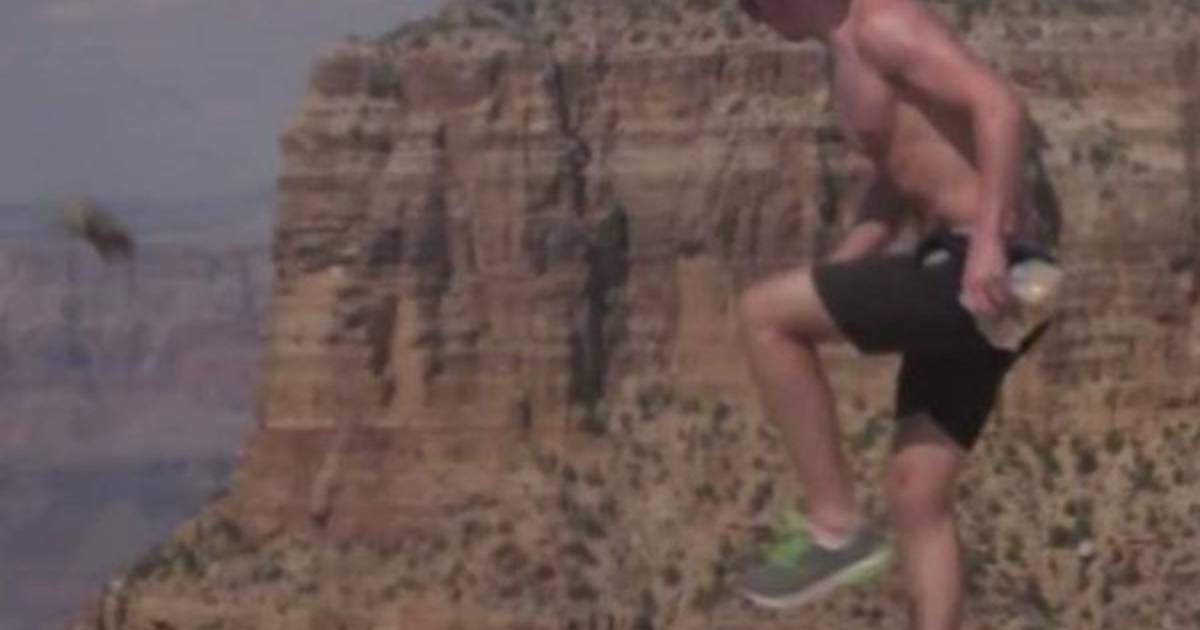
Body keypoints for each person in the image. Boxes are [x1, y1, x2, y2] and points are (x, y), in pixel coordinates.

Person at [733, 1, 1059, 628]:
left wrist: (987, 241)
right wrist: (843, 267)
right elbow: (900, 179)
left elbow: (1000, 106)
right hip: (983, 274)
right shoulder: (843, 51)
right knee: (917, 492)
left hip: (991, 267)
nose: (748, 13)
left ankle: (835, 526)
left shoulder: (882, 25)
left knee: (761, 315)